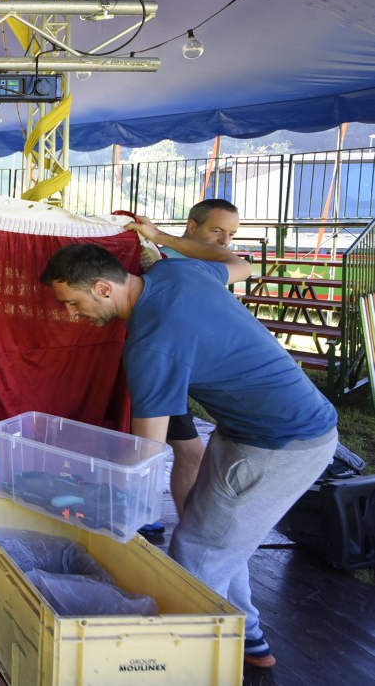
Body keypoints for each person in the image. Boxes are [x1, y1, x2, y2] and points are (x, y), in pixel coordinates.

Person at [39, 220, 337, 672]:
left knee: (196, 555)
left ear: (103, 288)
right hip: (246, 429)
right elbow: (241, 264)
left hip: (285, 442)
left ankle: (170, 664)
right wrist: (163, 241)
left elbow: (146, 454)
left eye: (73, 304)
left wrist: (105, 507)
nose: (71, 315)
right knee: (213, 533)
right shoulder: (177, 272)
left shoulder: (150, 344)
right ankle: (249, 638)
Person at [143, 198, 241, 521]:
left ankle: (182, 527)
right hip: (150, 369)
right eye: (217, 231)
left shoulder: (211, 266)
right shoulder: (155, 256)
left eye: (230, 233)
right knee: (159, 452)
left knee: (186, 453)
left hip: (175, 374)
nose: (225, 241)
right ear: (191, 226)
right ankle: (142, 520)